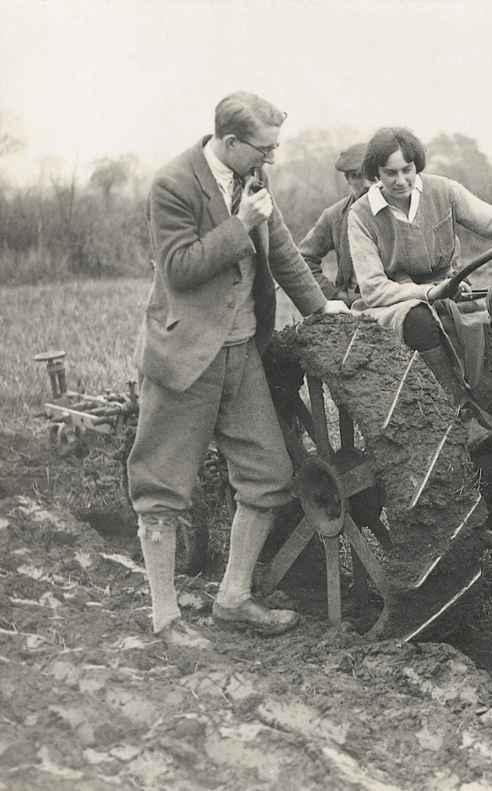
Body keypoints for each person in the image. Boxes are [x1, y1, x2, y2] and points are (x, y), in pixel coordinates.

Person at [127, 91, 350, 648]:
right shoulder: (172, 184)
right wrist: (239, 224)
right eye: (264, 149)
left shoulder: (253, 181)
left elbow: (281, 254)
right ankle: (165, 617)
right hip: (185, 358)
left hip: (241, 353)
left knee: (269, 477)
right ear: (230, 142)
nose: (270, 160)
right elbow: (178, 270)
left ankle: (232, 598)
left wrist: (324, 307)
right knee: (161, 488)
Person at [347, 127, 492, 478]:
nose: (401, 180)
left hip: (449, 290)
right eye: (390, 173)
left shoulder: (443, 191)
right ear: (375, 174)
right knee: (419, 317)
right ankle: (462, 414)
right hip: (394, 302)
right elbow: (374, 288)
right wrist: (426, 292)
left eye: (407, 170)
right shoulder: (361, 215)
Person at [298, 142, 371, 304]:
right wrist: (334, 295)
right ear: (347, 179)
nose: (366, 184)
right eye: (357, 176)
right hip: (354, 304)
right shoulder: (334, 216)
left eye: (370, 175)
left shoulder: (400, 209)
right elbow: (303, 259)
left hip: (395, 302)